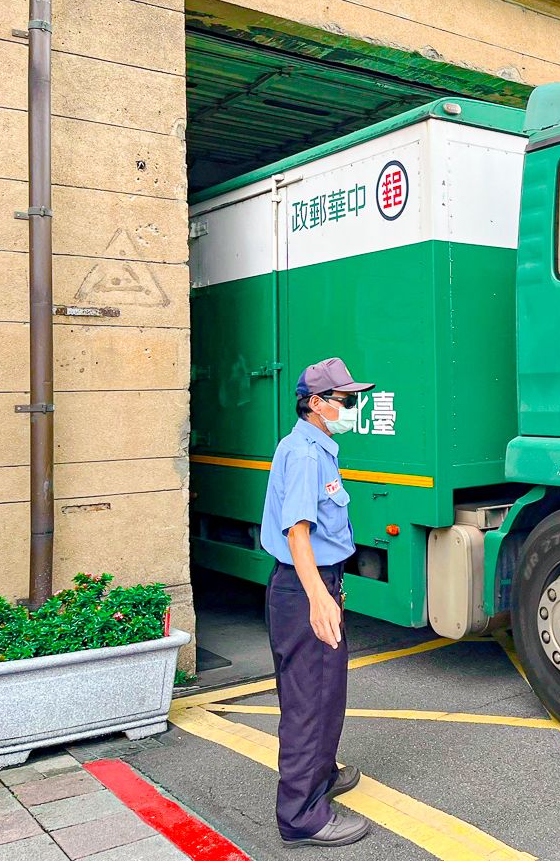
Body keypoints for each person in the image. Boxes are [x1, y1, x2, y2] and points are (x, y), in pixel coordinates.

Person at [260, 357, 374, 848]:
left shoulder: (313, 447)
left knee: (323, 692)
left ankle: (321, 773)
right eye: (344, 400)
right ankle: (302, 816)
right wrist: (319, 598)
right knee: (310, 699)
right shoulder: (306, 454)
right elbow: (298, 532)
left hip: (312, 581)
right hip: (304, 583)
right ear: (315, 403)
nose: (349, 407)